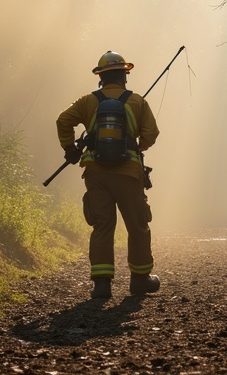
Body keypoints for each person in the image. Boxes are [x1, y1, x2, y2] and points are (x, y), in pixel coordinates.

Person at [56, 51, 161, 299]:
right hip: (129, 174)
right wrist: (137, 145)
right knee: (137, 225)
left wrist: (70, 148)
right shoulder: (137, 102)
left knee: (103, 225)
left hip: (96, 173)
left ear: (101, 78)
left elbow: (63, 121)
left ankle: (101, 285)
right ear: (124, 76)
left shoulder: (87, 102)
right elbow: (152, 134)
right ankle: (139, 280)